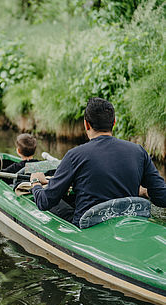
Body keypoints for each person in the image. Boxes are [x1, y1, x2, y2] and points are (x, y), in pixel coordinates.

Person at [29, 97, 166, 227]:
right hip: (128, 224)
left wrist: (35, 183)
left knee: (56, 204)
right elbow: (162, 197)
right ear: (114, 122)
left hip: (88, 227)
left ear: (86, 124)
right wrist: (145, 191)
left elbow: (44, 202)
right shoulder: (139, 151)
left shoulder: (74, 155)